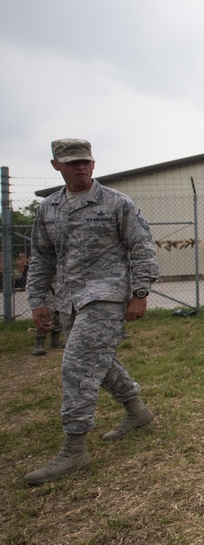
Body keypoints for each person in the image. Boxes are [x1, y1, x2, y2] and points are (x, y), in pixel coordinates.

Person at [23, 138, 159, 485]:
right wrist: (38, 299)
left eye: (85, 161)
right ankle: (137, 412)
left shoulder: (116, 203)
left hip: (107, 295)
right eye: (72, 162)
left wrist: (140, 292)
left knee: (77, 363)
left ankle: (75, 448)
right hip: (69, 299)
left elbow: (141, 247)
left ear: (94, 164)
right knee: (98, 359)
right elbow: (41, 257)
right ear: (57, 166)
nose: (80, 167)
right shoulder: (49, 209)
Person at [32, 289, 63, 355]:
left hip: (59, 281)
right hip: (44, 284)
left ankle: (55, 339)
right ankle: (39, 342)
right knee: (48, 309)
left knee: (60, 307)